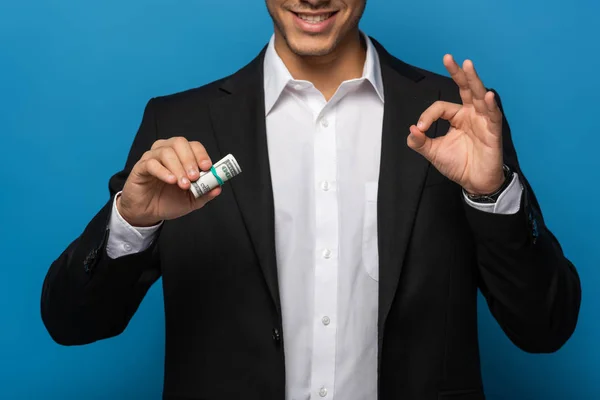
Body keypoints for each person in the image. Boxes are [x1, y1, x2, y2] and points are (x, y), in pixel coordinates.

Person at [40, 0, 581, 399]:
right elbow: (72, 323)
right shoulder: (178, 124)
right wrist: (130, 225)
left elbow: (545, 327)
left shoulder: (456, 119)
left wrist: (492, 194)